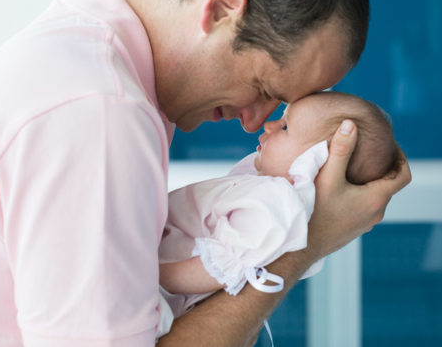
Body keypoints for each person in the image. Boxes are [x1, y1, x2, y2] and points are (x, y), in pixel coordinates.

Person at [0, 0, 411, 346]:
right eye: (264, 87)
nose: (253, 123)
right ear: (221, 9)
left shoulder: (85, 63)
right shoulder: (98, 113)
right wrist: (304, 242)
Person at [156, 91, 400, 338]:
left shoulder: (276, 206)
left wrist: (154, 275)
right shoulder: (267, 191)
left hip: (161, 288)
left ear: (313, 164)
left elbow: (221, 267)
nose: (270, 124)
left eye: (284, 127)